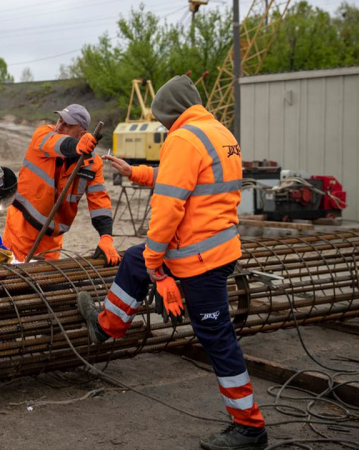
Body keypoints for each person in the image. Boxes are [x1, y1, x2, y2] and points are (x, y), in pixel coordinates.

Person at [76, 75, 266, 450]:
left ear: (171, 112)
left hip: (199, 259)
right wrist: (136, 172)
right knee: (132, 259)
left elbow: (168, 206)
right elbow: (182, 179)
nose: (163, 125)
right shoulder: (218, 133)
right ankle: (106, 325)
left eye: (163, 118)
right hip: (219, 249)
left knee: (217, 337)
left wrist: (155, 263)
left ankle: (250, 426)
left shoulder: (182, 138)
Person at [3, 104, 120, 265]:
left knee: (45, 282)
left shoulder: (93, 163)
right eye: (60, 120)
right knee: (14, 280)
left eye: (68, 125)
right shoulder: (43, 134)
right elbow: (59, 143)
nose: (60, 127)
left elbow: (99, 202)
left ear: (82, 133)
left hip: (52, 235)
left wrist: (106, 237)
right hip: (21, 227)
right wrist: (77, 146)